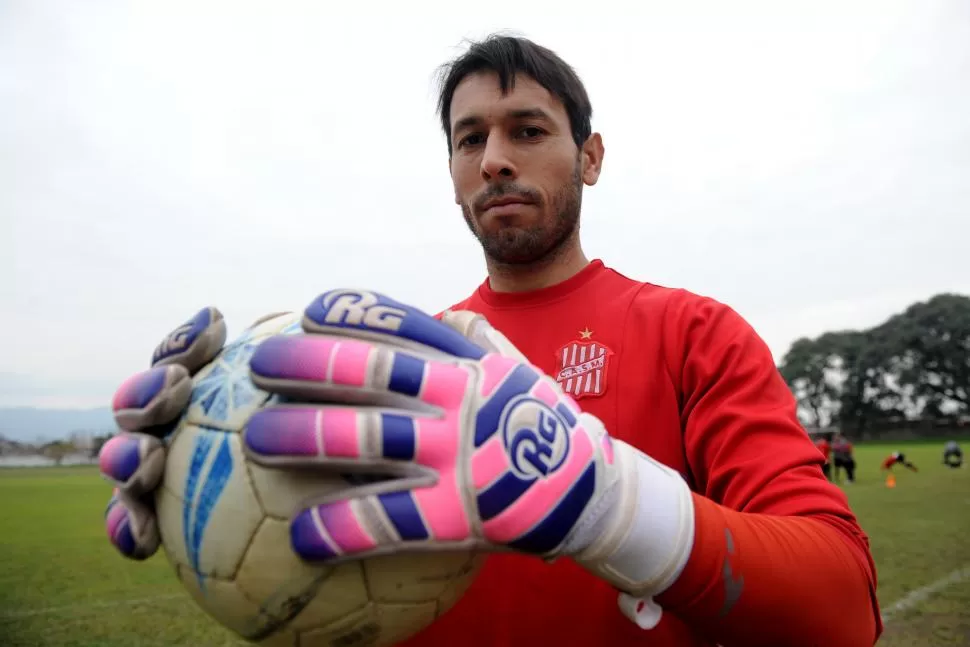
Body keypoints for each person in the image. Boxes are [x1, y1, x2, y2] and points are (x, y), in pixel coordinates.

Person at [98, 34, 881, 647]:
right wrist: (206, 478)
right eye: (469, 139)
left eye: (528, 129)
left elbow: (841, 612)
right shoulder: (404, 366)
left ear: (592, 156)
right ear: (451, 171)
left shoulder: (693, 332)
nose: (496, 158)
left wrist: (606, 502)